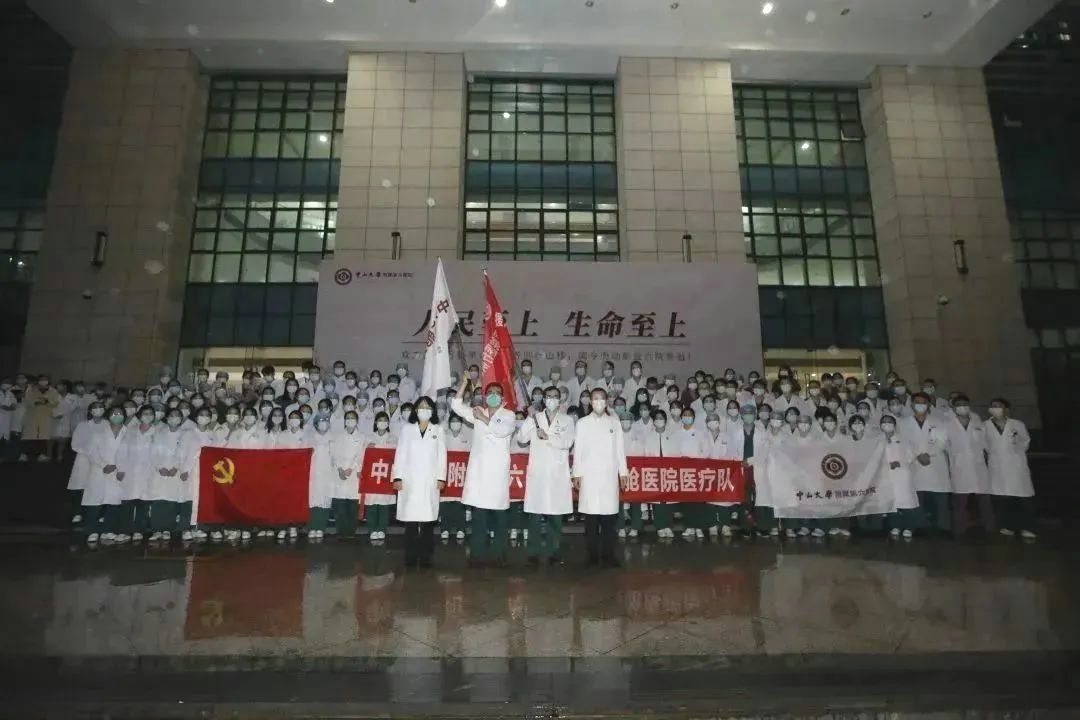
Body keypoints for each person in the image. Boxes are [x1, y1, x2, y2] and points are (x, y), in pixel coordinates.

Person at [450, 377, 516, 567]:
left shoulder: (508, 415)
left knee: (500, 517)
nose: (493, 396)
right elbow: (456, 406)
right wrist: (464, 383)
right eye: (490, 393)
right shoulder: (478, 411)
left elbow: (501, 431)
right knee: (479, 516)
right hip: (479, 472)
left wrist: (483, 418)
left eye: (497, 393)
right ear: (485, 397)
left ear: (502, 398)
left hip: (497, 473)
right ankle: (477, 554)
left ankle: (499, 554)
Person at [517, 385, 576, 566]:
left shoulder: (567, 420)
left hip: (557, 474)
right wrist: (529, 418)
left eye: (555, 396)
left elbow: (567, 442)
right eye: (548, 396)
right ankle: (533, 552)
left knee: (555, 516)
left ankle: (553, 551)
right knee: (535, 516)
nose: (551, 399)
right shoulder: (536, 418)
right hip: (538, 474)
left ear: (560, 400)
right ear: (543, 399)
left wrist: (548, 437)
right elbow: (521, 439)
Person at [572, 388, 628, 568]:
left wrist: (623, 472)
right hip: (589, 477)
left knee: (609, 520)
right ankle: (592, 556)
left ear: (606, 401)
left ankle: (608, 555)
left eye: (601, 398)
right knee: (591, 521)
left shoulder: (614, 422)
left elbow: (620, 450)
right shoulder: (582, 423)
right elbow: (578, 450)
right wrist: (576, 473)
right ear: (590, 401)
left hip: (609, 476)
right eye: (595, 398)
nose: (598, 402)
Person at [392, 396, 447, 568]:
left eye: (428, 407)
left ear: (433, 410)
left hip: (430, 480)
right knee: (410, 519)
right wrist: (397, 477)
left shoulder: (438, 430)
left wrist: (441, 477)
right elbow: (400, 453)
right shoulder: (407, 429)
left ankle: (426, 556)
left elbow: (442, 455)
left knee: (428, 520)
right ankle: (410, 555)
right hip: (410, 480)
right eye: (421, 407)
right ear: (416, 410)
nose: (424, 410)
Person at [899, 392, 952, 534]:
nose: (920, 405)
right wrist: (917, 455)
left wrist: (929, 454)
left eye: (923, 402)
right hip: (914, 463)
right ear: (912, 405)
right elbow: (903, 443)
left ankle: (943, 527)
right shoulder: (903, 423)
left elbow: (942, 441)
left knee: (940, 497)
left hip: (935, 462)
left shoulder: (939, 421)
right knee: (917, 497)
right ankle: (920, 526)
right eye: (917, 402)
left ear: (928, 404)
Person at [984, 398, 1036, 540]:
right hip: (997, 467)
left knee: (1023, 499)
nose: (995, 408)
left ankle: (1027, 528)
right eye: (993, 406)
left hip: (1016, 465)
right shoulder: (985, 426)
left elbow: (1025, 441)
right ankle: (1007, 527)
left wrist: (1015, 445)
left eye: (999, 406)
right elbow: (985, 445)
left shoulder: (1017, 424)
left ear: (1006, 409)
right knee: (1002, 500)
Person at [946, 394, 994, 535]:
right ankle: (960, 528)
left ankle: (990, 528)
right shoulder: (947, 423)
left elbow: (986, 444)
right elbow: (944, 445)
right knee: (960, 501)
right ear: (953, 408)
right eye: (958, 404)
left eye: (964, 404)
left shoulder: (977, 421)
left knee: (984, 499)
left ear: (969, 405)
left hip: (978, 466)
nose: (962, 407)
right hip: (959, 467)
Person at [82, 406, 127, 544]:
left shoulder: (129, 433)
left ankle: (108, 530)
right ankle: (92, 531)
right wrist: (103, 465)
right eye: (114, 413)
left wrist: (120, 467)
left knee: (114, 501)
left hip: (119, 472)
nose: (117, 415)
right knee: (95, 502)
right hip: (99, 470)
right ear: (108, 416)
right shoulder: (98, 434)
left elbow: (131, 453)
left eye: (120, 413)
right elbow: (91, 452)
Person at [115, 405, 158, 543]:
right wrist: (120, 469)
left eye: (150, 413)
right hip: (130, 471)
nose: (148, 416)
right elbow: (121, 450)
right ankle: (124, 531)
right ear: (139, 415)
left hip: (149, 472)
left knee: (143, 503)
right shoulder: (130, 431)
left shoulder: (157, 432)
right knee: (127, 502)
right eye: (145, 413)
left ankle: (139, 530)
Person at [879, 414, 924, 539]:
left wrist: (899, 462)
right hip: (886, 476)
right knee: (892, 502)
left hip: (902, 475)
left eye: (889, 421)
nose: (886, 424)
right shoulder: (877, 440)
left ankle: (909, 527)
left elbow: (911, 456)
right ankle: (895, 526)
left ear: (894, 425)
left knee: (907, 502)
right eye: (884, 422)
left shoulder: (904, 440)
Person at [68, 402, 106, 526]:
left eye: (100, 407)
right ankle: (78, 512)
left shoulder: (108, 425)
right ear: (90, 411)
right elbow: (75, 444)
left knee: (100, 487)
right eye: (95, 408)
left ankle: (101, 513)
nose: (98, 409)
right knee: (81, 486)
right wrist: (89, 452)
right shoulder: (82, 425)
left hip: (102, 460)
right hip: (83, 459)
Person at [643, 409, 676, 538]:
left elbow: (676, 454)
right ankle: (660, 526)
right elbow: (646, 455)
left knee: (668, 500)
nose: (659, 420)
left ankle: (668, 525)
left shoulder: (671, 436)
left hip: (669, 472)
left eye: (661, 418)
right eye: (656, 418)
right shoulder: (649, 437)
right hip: (655, 472)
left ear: (665, 421)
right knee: (657, 501)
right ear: (654, 421)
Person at [439, 413, 472, 541]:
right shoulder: (444, 437)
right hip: (447, 473)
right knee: (445, 503)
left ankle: (461, 529)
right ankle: (445, 528)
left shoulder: (467, 439)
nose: (455, 423)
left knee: (460, 504)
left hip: (461, 474)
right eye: (452, 421)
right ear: (449, 423)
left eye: (457, 421)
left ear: (461, 424)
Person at [305, 414, 336, 541]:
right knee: (312, 501)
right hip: (313, 474)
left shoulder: (333, 439)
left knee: (325, 501)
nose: (323, 423)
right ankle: (312, 527)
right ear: (315, 424)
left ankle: (321, 527)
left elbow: (337, 457)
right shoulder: (309, 438)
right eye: (320, 421)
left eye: (325, 421)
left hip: (328, 475)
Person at [618, 412, 646, 538]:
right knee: (619, 500)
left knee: (635, 500)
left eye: (627, 419)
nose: (625, 422)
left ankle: (635, 527)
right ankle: (620, 527)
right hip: (619, 471)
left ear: (632, 421)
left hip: (635, 471)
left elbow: (643, 454)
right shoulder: (616, 436)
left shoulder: (638, 436)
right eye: (622, 419)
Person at [21, 374, 61, 462]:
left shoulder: (53, 391)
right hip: (32, 415)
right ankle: (24, 454)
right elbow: (29, 401)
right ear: (38, 381)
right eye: (41, 379)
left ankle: (41, 454)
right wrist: (41, 401)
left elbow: (55, 402)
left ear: (48, 381)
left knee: (42, 436)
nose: (43, 381)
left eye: (45, 379)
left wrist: (44, 401)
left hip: (45, 416)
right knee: (28, 436)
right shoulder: (31, 389)